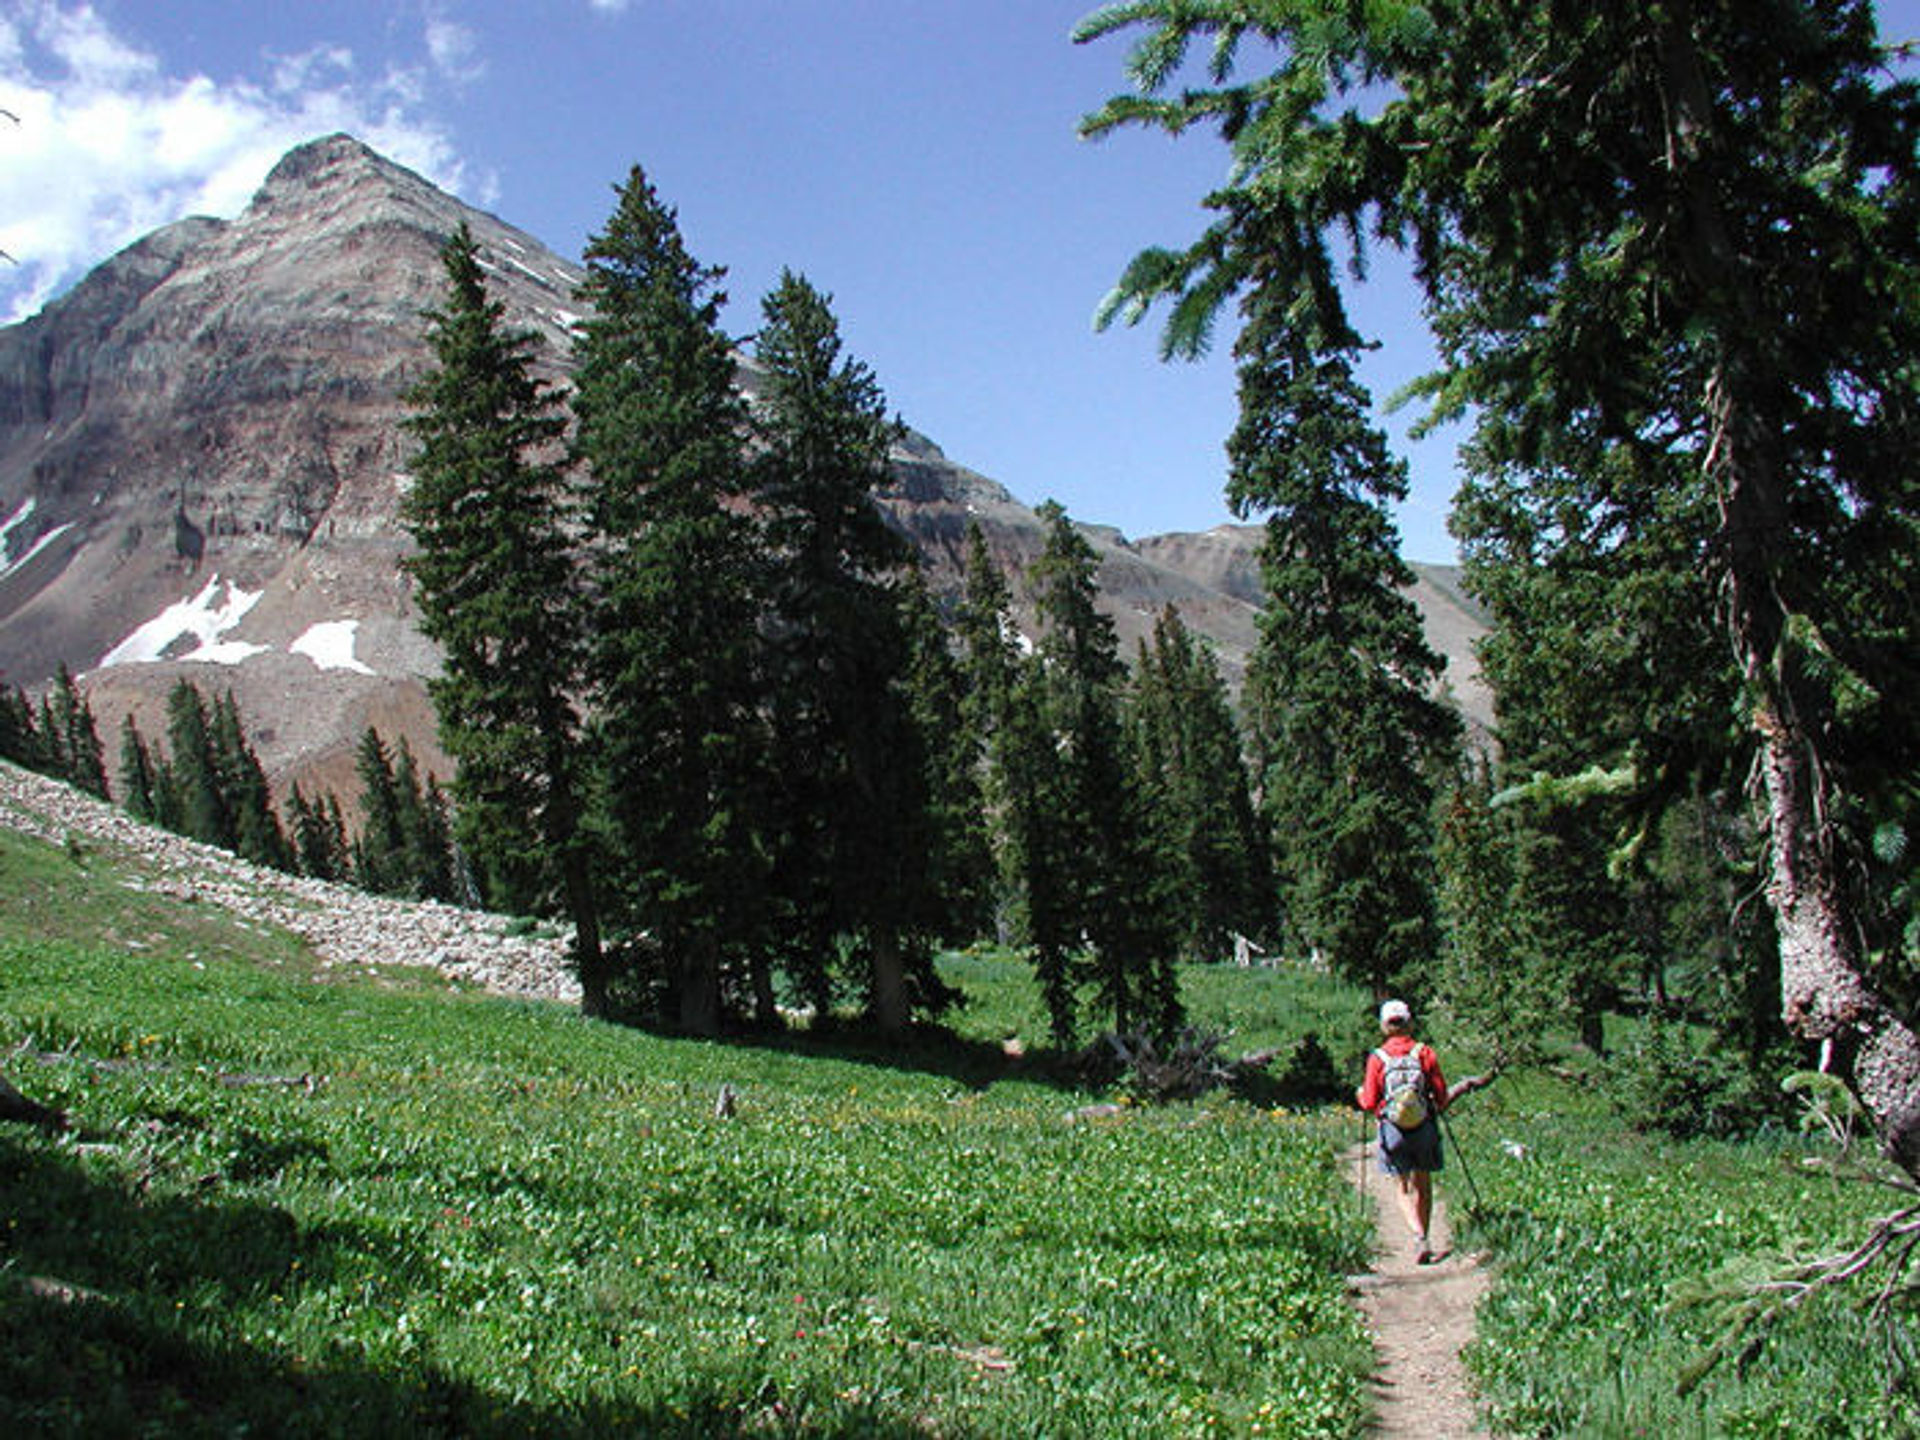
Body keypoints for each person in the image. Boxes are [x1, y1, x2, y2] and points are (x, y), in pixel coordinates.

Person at [1356, 998, 1451, 1264]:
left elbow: (1371, 1102)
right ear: (1409, 1023)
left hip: (1393, 1129)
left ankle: (1418, 1236)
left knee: (1401, 1185)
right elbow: (1441, 1095)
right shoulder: (1424, 1053)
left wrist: (1360, 1096)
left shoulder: (1378, 1058)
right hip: (1423, 1126)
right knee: (1424, 1183)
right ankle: (1424, 1233)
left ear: (1385, 1026)